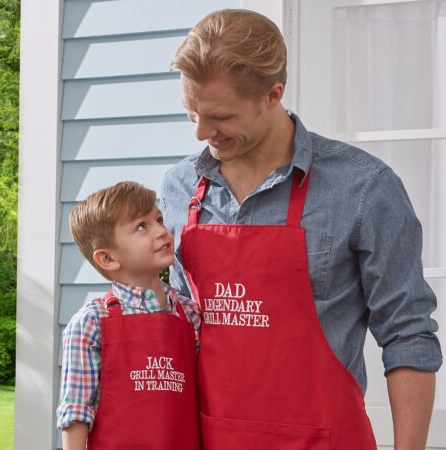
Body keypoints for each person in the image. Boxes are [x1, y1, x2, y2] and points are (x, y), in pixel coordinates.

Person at [161, 8, 443, 450]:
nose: (201, 133)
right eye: (190, 113)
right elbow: (178, 326)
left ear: (273, 95)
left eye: (220, 117)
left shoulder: (364, 188)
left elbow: (408, 334)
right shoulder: (179, 188)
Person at [56, 181, 201, 450]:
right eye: (141, 226)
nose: (161, 231)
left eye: (158, 219)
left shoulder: (190, 315)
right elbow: (76, 413)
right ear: (108, 259)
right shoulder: (91, 324)